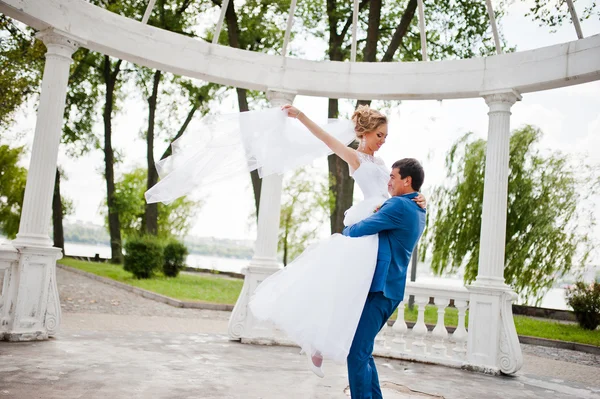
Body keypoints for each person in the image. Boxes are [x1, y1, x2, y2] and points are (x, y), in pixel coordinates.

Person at [248, 104, 426, 380]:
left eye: (385, 136)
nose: (383, 141)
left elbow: (397, 188)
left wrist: (417, 196)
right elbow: (324, 138)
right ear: (365, 133)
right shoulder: (355, 158)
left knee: (356, 292)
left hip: (382, 224)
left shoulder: (382, 165)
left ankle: (330, 342)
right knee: (341, 286)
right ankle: (316, 341)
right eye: (379, 135)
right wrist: (302, 116)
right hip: (368, 224)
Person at [343, 158, 426, 399]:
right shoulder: (419, 208)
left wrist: (345, 229)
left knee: (356, 352)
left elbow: (362, 228)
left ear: (407, 181)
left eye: (393, 176)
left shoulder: (399, 206)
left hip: (381, 290)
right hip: (390, 289)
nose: (388, 181)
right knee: (364, 351)